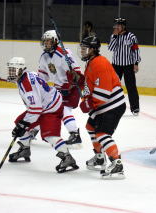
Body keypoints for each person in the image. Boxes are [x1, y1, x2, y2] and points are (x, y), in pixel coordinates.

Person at [7, 57, 79, 173]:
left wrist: (23, 124)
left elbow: (36, 110)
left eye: (13, 70)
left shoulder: (26, 85)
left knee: (49, 135)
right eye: (10, 70)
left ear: (20, 70)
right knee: (19, 122)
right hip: (43, 106)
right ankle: (25, 149)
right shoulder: (26, 75)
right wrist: (23, 124)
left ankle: (67, 157)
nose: (11, 73)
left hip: (52, 108)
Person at [79, 36, 126, 179]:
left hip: (112, 105)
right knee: (90, 127)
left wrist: (88, 103)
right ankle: (100, 157)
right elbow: (90, 85)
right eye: (81, 48)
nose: (82, 51)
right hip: (104, 106)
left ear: (93, 50)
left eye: (85, 48)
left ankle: (117, 164)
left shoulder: (100, 63)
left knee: (102, 134)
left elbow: (103, 93)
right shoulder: (91, 62)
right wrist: (78, 80)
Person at [38, 30, 85, 149]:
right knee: (44, 108)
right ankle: (34, 129)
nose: (46, 43)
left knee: (64, 110)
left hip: (71, 88)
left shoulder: (64, 53)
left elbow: (78, 74)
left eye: (48, 41)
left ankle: (75, 134)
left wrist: (70, 83)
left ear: (55, 41)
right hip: (58, 88)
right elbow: (43, 76)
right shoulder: (44, 57)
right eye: (45, 41)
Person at [108, 18, 141, 116]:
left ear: (123, 26)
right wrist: (114, 36)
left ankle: (135, 107)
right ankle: (111, 105)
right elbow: (111, 48)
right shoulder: (113, 36)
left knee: (131, 87)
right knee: (112, 86)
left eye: (118, 25)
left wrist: (136, 63)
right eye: (116, 25)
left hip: (128, 65)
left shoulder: (131, 36)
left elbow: (136, 50)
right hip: (116, 65)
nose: (116, 27)